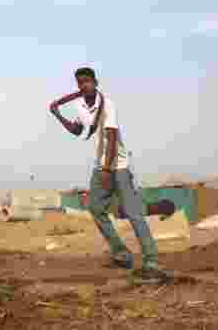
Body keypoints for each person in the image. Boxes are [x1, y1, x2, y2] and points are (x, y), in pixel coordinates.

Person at [49, 67, 169, 283]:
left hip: (118, 166)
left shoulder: (108, 104)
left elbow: (111, 137)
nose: (84, 85)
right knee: (96, 209)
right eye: (80, 82)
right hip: (100, 165)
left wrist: (107, 170)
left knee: (133, 213)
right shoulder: (80, 106)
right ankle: (121, 253)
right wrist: (58, 114)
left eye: (88, 81)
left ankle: (152, 260)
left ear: (96, 82)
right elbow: (78, 130)